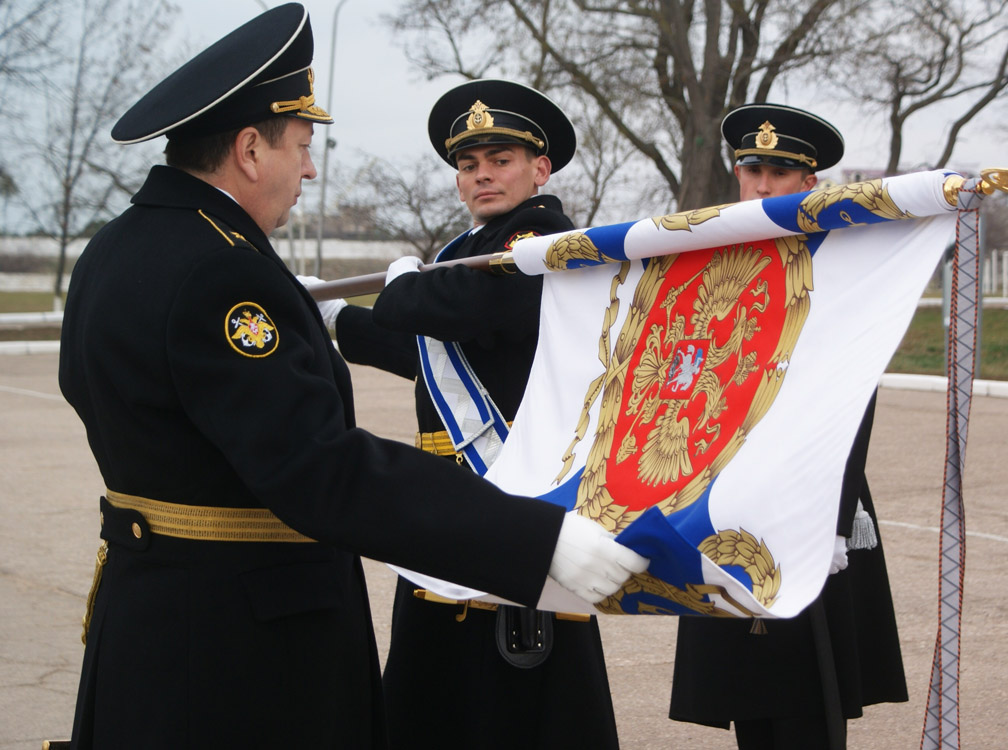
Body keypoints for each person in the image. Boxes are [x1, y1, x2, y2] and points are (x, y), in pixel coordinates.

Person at [55, 7, 646, 749]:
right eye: (301, 147)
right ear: (248, 149)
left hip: (152, 620)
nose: (307, 168)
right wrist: (535, 541)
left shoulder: (115, 248)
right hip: (238, 653)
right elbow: (321, 465)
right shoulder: (222, 271)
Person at [305, 79, 622, 749]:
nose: (481, 175)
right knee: (436, 694)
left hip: (514, 494)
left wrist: (403, 290)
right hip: (453, 504)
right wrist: (334, 319)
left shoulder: (544, 238)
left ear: (540, 169)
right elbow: (423, 348)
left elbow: (469, 307)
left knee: (517, 706)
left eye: (500, 160)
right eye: (468, 164)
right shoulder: (463, 252)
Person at [668, 103, 908, 749]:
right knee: (747, 687)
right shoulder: (711, 263)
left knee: (811, 696)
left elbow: (854, 401)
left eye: (780, 170)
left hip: (809, 499)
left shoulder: (836, 267)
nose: (763, 184)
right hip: (728, 502)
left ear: (809, 184)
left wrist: (832, 523)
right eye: (752, 168)